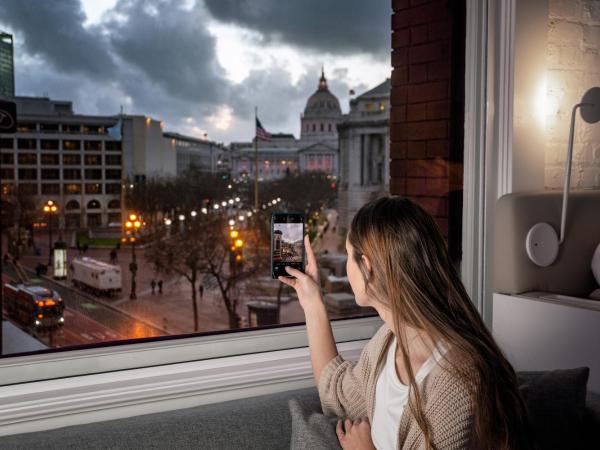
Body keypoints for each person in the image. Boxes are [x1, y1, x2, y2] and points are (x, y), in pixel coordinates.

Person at [278, 197, 532, 450]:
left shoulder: (456, 380)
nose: (347, 266)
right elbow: (337, 398)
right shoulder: (387, 343)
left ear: (367, 266)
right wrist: (313, 303)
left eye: (348, 256)